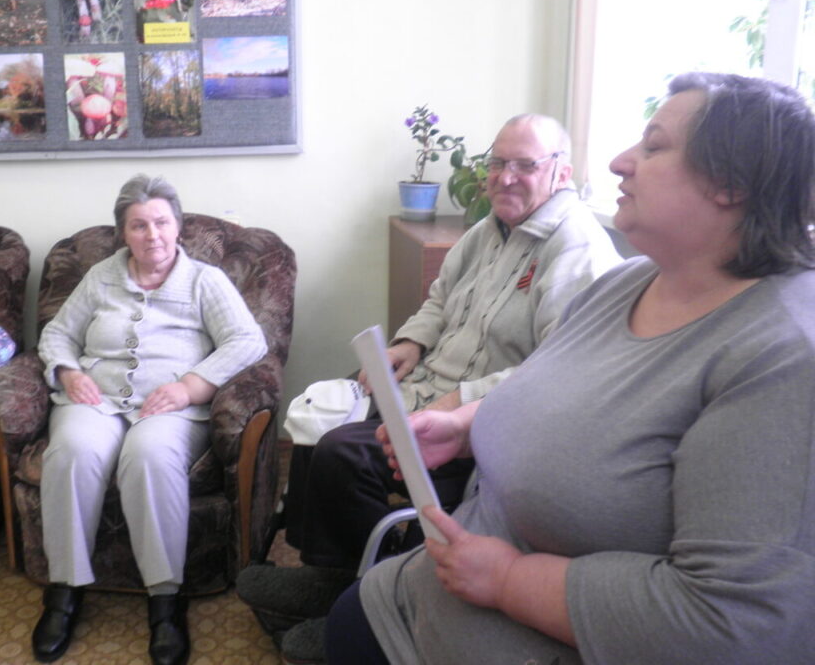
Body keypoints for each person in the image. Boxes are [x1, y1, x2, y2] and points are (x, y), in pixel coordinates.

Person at [327, 72, 815, 665]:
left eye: (654, 147)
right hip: (417, 600)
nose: (619, 162)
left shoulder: (782, 357)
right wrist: (465, 427)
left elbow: (730, 625)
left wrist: (510, 581)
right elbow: (546, 383)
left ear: (731, 183)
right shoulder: (628, 284)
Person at [238, 114, 623, 662]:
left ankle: (373, 589)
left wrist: (461, 403)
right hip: (427, 383)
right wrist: (409, 343)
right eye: (498, 163)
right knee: (320, 409)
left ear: (561, 172)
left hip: (482, 422)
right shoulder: (487, 230)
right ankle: (325, 568)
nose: (505, 177)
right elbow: (439, 300)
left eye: (525, 165)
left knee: (344, 450)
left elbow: (558, 368)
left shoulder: (575, 248)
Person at [31, 174, 268, 665]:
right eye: (139, 225)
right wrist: (68, 372)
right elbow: (57, 335)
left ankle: (165, 599)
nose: (152, 234)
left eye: (161, 222)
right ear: (123, 232)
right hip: (96, 398)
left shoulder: (204, 280)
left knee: (150, 458)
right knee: (71, 452)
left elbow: (248, 340)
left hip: (170, 406)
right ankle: (65, 590)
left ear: (178, 226)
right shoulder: (100, 277)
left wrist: (191, 386)